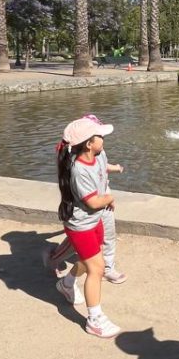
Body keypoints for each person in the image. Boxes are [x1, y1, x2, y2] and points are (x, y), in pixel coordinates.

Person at [55, 115, 121, 339]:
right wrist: (109, 199)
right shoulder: (79, 169)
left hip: (95, 220)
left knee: (89, 259)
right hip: (80, 224)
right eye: (99, 136)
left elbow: (101, 183)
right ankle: (94, 319)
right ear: (88, 143)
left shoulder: (99, 156)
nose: (103, 138)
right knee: (97, 269)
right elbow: (93, 201)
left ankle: (67, 282)